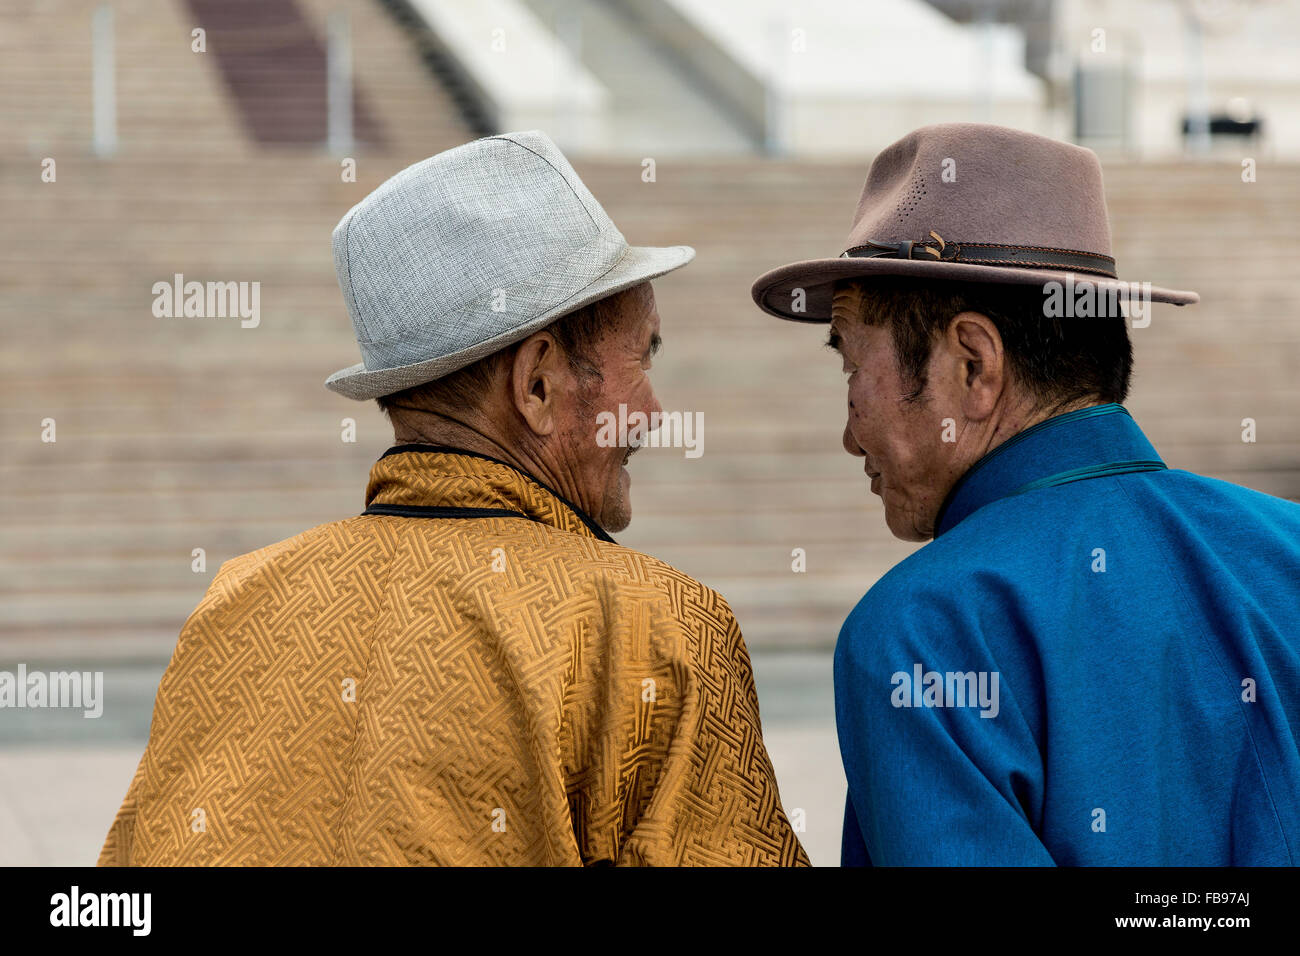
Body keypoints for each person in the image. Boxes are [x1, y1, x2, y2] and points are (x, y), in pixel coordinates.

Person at [100, 130, 808, 867]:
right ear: (538, 383)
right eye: (643, 357)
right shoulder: (652, 631)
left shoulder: (236, 604)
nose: (655, 413)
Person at [751, 122, 1300, 865]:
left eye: (851, 368)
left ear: (973, 364)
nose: (850, 434)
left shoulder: (924, 631)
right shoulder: (1284, 546)